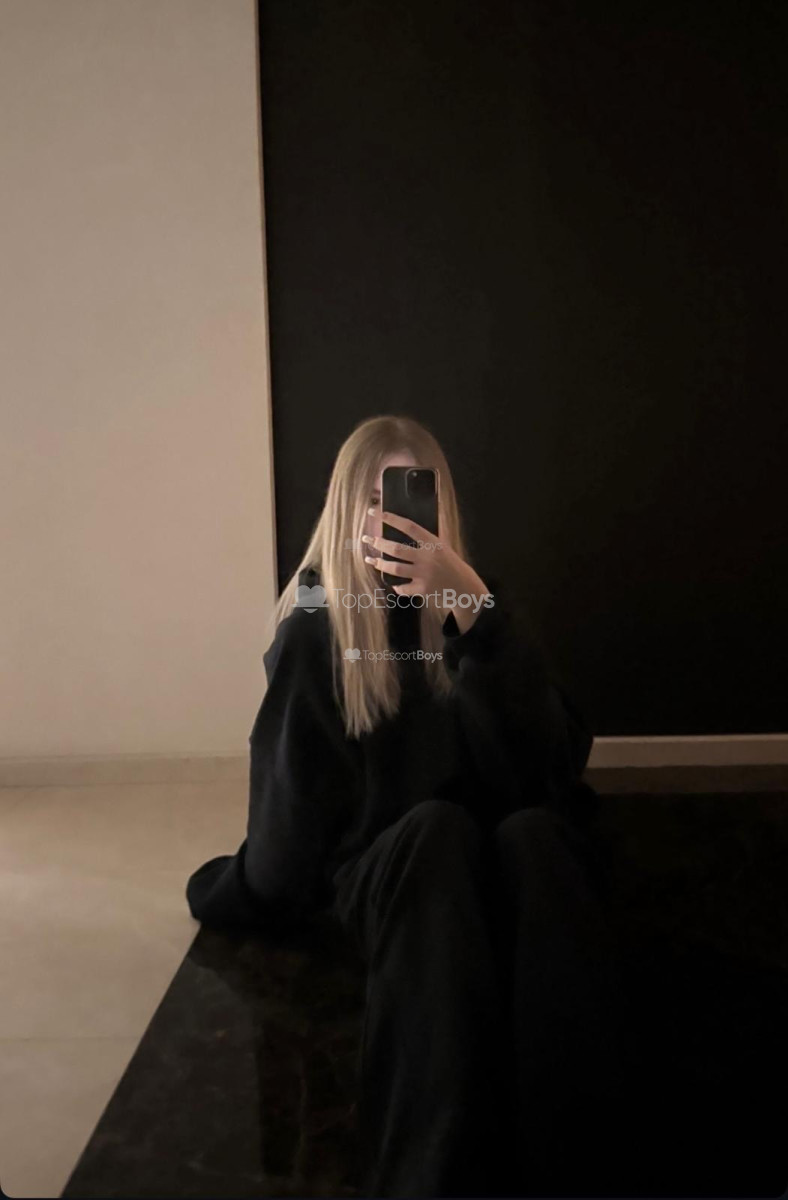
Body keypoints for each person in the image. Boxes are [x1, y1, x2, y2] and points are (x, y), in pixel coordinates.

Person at [186, 414, 642, 1199]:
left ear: (441, 506)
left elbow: (550, 769)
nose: (389, 517)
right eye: (371, 499)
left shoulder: (476, 603)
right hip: (407, 876)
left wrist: (479, 619)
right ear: (343, 509)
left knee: (537, 837)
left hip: (509, 867)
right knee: (436, 830)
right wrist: (242, 887)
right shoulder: (317, 627)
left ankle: (580, 1169)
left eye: (407, 495)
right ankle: (438, 1173)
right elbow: (292, 813)